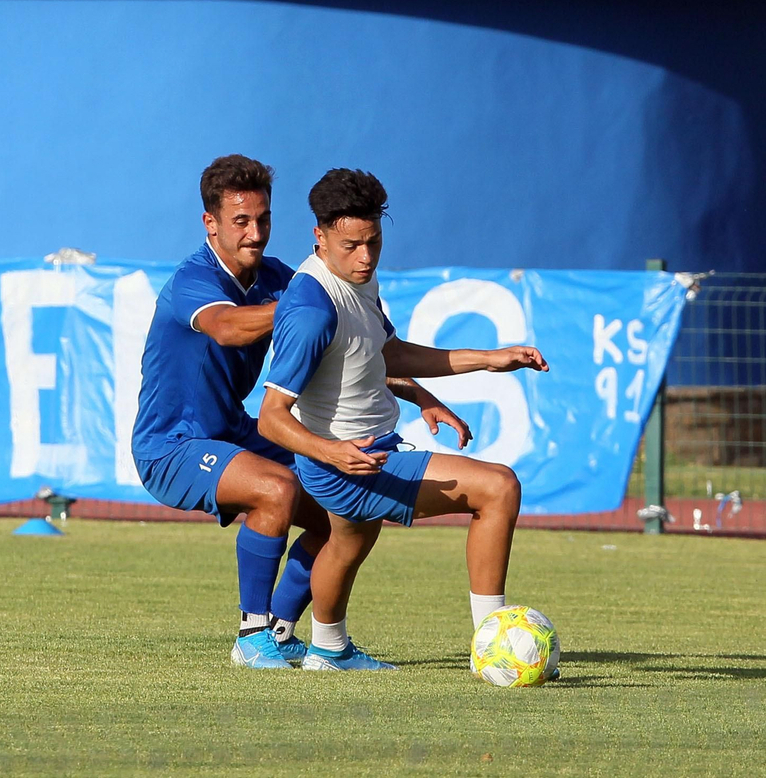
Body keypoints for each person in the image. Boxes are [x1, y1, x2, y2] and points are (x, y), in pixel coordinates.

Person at [131, 155, 469, 669]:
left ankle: (286, 631)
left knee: (346, 512)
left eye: (263, 219)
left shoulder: (278, 279)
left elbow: (350, 342)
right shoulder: (193, 281)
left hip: (233, 433)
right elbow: (227, 327)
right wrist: (306, 307)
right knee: (277, 489)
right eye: (241, 221)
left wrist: (420, 395)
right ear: (211, 223)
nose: (255, 232)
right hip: (172, 445)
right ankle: (252, 635)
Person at [257, 168, 549, 672]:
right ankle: (492, 646)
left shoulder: (356, 280)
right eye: (351, 245)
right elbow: (271, 418)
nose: (366, 256)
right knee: (498, 488)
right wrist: (332, 453)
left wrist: (484, 362)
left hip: (363, 449)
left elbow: (387, 353)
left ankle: (327, 648)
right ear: (319, 236)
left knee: (348, 541)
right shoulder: (310, 308)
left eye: (373, 242)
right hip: (347, 460)